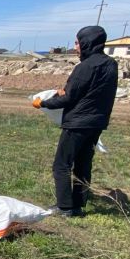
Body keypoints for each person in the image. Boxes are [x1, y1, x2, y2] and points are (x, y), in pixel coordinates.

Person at [32, 26, 117, 217]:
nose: (76, 46)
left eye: (78, 42)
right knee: (83, 163)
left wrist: (42, 103)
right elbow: (90, 93)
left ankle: (64, 207)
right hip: (97, 123)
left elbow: (69, 98)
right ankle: (78, 205)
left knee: (61, 164)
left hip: (78, 123)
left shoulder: (85, 67)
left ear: (87, 42)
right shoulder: (111, 64)